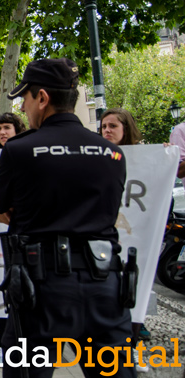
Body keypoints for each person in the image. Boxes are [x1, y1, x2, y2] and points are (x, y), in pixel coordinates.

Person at [0, 58, 136, 377]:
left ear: (42, 98)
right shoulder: (112, 153)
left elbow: (0, 211)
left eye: (25, 98)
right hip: (105, 285)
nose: (24, 107)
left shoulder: (19, 150)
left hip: (40, 289)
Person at [100, 108, 150, 373]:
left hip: (135, 236)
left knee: (135, 290)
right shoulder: (96, 155)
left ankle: (132, 348)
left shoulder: (144, 158)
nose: (106, 131)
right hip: (107, 241)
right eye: (103, 126)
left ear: (126, 129)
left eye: (112, 126)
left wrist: (164, 155)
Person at [0, 112, 26, 356]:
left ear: (17, 130)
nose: (2, 132)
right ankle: (3, 344)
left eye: (7, 128)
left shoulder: (26, 155)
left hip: (19, 236)